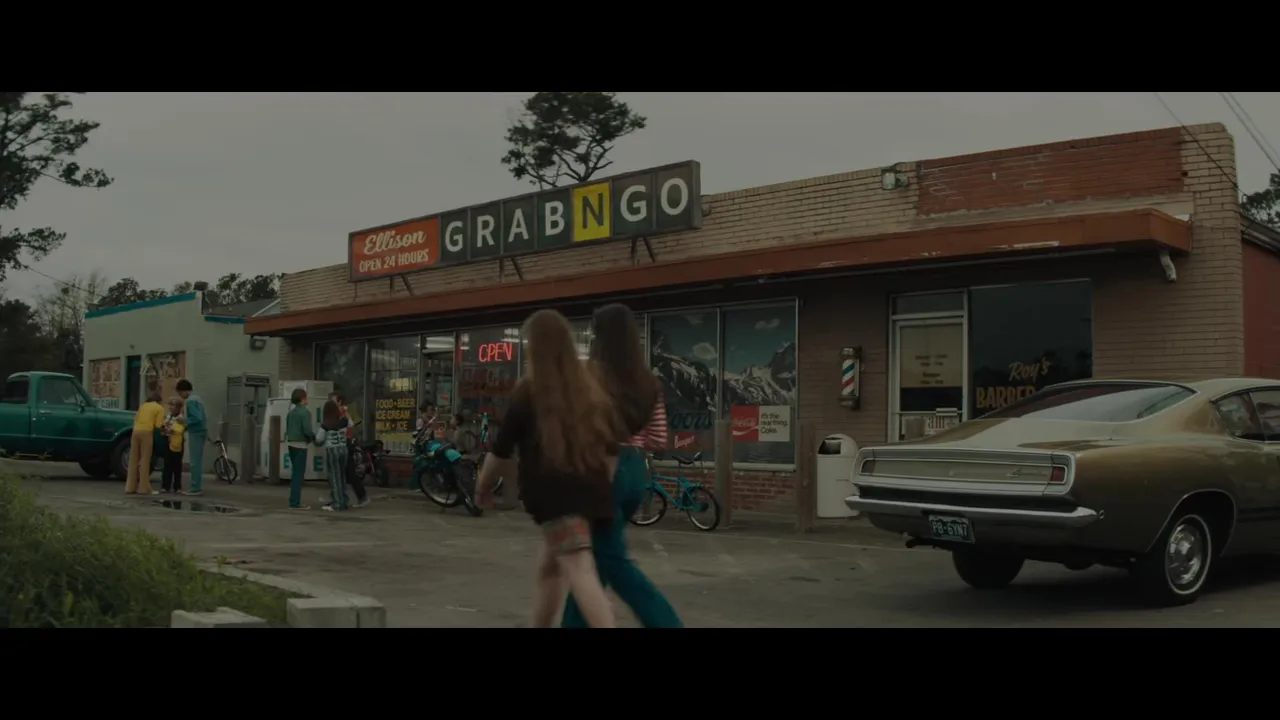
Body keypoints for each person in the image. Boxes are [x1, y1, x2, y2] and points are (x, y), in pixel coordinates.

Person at [476, 309, 619, 629]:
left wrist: (482, 486)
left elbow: (501, 450)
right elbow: (611, 451)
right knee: (551, 568)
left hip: (557, 498)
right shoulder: (589, 390)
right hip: (590, 494)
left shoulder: (528, 392)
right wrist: (600, 489)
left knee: (579, 569)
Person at [561, 304, 684, 628]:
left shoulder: (589, 376)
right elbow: (658, 439)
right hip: (634, 472)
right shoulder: (648, 381)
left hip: (604, 470)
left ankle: (667, 623)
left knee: (612, 562)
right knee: (597, 559)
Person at [328, 392, 369, 508]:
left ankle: (357, 496)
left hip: (345, 443)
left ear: (339, 401)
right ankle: (342, 498)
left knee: (346, 471)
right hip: (345, 442)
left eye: (332, 400)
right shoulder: (341, 412)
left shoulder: (341, 412)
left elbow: (349, 425)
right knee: (344, 472)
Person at [126, 390, 166, 495]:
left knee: (133, 459)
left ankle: (130, 487)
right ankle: (143, 488)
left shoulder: (143, 406)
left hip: (136, 431)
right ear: (159, 400)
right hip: (147, 432)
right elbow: (158, 425)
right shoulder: (160, 408)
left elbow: (136, 419)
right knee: (145, 460)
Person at [176, 379, 208, 496]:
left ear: (184, 391)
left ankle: (195, 487)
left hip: (196, 432)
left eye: (180, 393)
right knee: (197, 460)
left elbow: (196, 418)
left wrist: (183, 421)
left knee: (195, 461)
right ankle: (196, 486)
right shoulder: (197, 399)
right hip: (201, 431)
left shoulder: (191, 401)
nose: (180, 396)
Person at [284, 388, 314, 510]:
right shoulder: (305, 412)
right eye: (306, 397)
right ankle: (295, 502)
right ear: (302, 399)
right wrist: (312, 438)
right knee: (298, 475)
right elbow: (307, 430)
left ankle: (293, 500)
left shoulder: (290, 413)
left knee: (295, 473)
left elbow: (287, 428)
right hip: (301, 444)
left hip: (291, 444)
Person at [318, 399, 350, 512]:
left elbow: (319, 439)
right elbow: (351, 423)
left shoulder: (325, 425)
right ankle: (344, 501)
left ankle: (337, 503)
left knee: (334, 477)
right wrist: (344, 413)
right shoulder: (344, 422)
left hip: (332, 450)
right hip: (344, 449)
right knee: (342, 476)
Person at [160, 396, 187, 494]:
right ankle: (165, 486)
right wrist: (163, 430)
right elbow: (163, 428)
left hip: (177, 443)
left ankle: (177, 486)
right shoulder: (168, 417)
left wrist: (173, 430)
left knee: (177, 466)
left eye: (174, 405)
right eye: (170, 405)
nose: (171, 407)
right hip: (168, 441)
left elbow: (182, 428)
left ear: (179, 408)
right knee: (167, 465)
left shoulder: (181, 418)